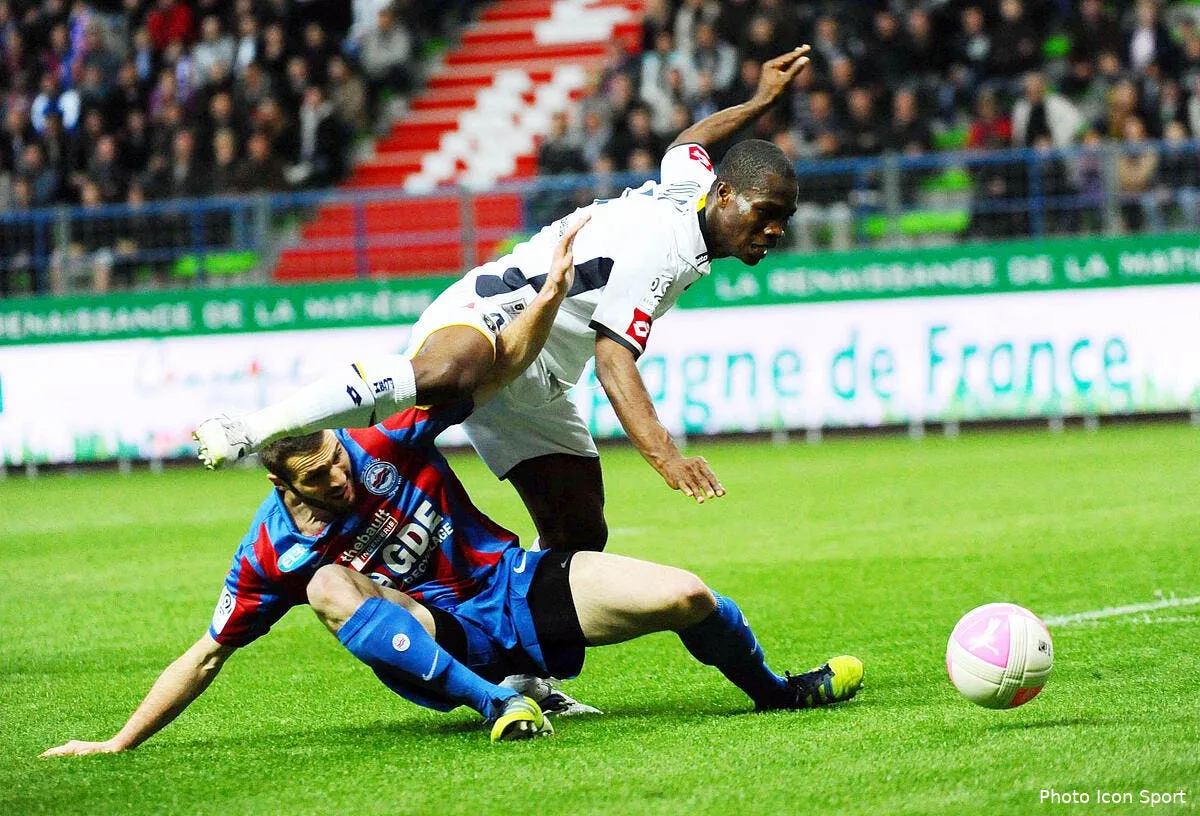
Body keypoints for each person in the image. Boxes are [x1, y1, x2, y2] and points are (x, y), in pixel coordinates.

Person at [42, 221, 863, 755]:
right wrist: (116, 744)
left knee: (686, 595)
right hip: (437, 637)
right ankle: (494, 704)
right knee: (328, 582)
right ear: (274, 474)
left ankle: (776, 694)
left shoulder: (385, 439)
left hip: (507, 589)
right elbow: (208, 652)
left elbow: (498, 369)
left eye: (333, 450)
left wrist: (543, 304)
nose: (337, 469)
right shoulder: (270, 549)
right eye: (315, 471)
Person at [196, 46, 812, 555]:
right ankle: (253, 428)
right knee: (448, 373)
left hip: (541, 381)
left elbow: (689, 140)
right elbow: (613, 362)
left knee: (579, 534)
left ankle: (524, 677)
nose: (774, 230)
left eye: (784, 218)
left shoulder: (693, 189)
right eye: (766, 214)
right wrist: (668, 458)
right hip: (500, 311)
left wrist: (758, 103)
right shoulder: (665, 246)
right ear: (727, 195)